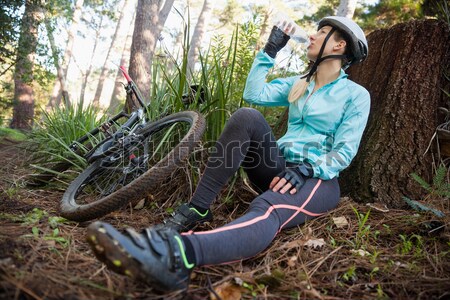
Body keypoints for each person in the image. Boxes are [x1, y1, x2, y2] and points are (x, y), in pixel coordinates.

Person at [86, 16, 370, 293]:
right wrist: (270, 50)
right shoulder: (300, 84)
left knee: (268, 208)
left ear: (339, 45)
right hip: (280, 168)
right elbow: (253, 93)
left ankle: (177, 256)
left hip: (316, 180)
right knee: (247, 117)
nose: (312, 35)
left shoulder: (355, 95)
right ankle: (196, 209)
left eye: (321, 33)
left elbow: (345, 151)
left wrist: (308, 169)